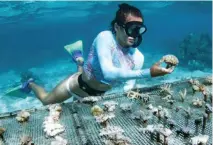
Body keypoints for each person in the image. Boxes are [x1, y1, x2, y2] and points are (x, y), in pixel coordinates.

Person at [21, 3, 175, 105]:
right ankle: (30, 83)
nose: (135, 34)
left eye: (139, 29)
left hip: (98, 95)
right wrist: (150, 72)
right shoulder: (105, 37)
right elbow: (108, 73)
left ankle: (79, 61)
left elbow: (128, 87)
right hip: (76, 86)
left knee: (88, 68)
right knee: (46, 101)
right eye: (131, 28)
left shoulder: (138, 57)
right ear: (117, 27)